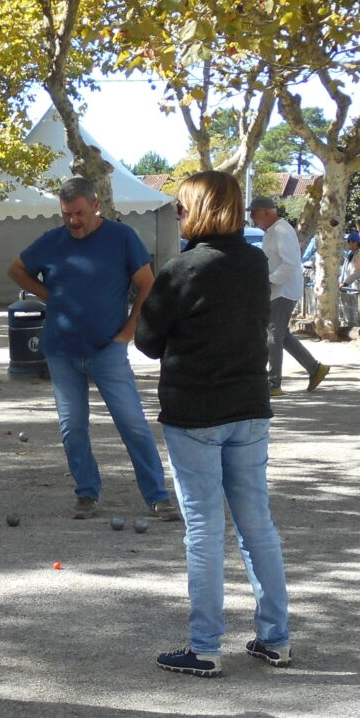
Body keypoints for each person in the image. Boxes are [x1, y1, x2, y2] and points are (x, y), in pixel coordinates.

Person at [136, 171, 291, 677]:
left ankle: (204, 646)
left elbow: (148, 342)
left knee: (203, 530)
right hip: (248, 408)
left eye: (181, 209)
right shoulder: (254, 261)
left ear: (198, 211)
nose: (177, 217)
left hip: (195, 412)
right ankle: (275, 637)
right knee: (257, 527)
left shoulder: (180, 270)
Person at [7, 177, 178, 521]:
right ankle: (86, 492)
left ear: (96, 205)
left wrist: (129, 330)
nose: (73, 221)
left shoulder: (122, 237)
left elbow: (147, 284)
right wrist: (49, 295)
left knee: (131, 422)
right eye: (67, 214)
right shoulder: (52, 241)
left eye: (79, 213)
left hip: (107, 348)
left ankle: (157, 495)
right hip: (61, 350)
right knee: (73, 426)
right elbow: (17, 269)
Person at [249, 197, 329, 395]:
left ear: (266, 212)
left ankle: (273, 383)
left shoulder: (281, 230)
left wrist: (269, 280)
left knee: (273, 336)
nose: (251, 217)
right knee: (281, 335)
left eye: (254, 212)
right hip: (279, 289)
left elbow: (290, 263)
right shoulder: (273, 231)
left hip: (282, 290)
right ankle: (314, 368)